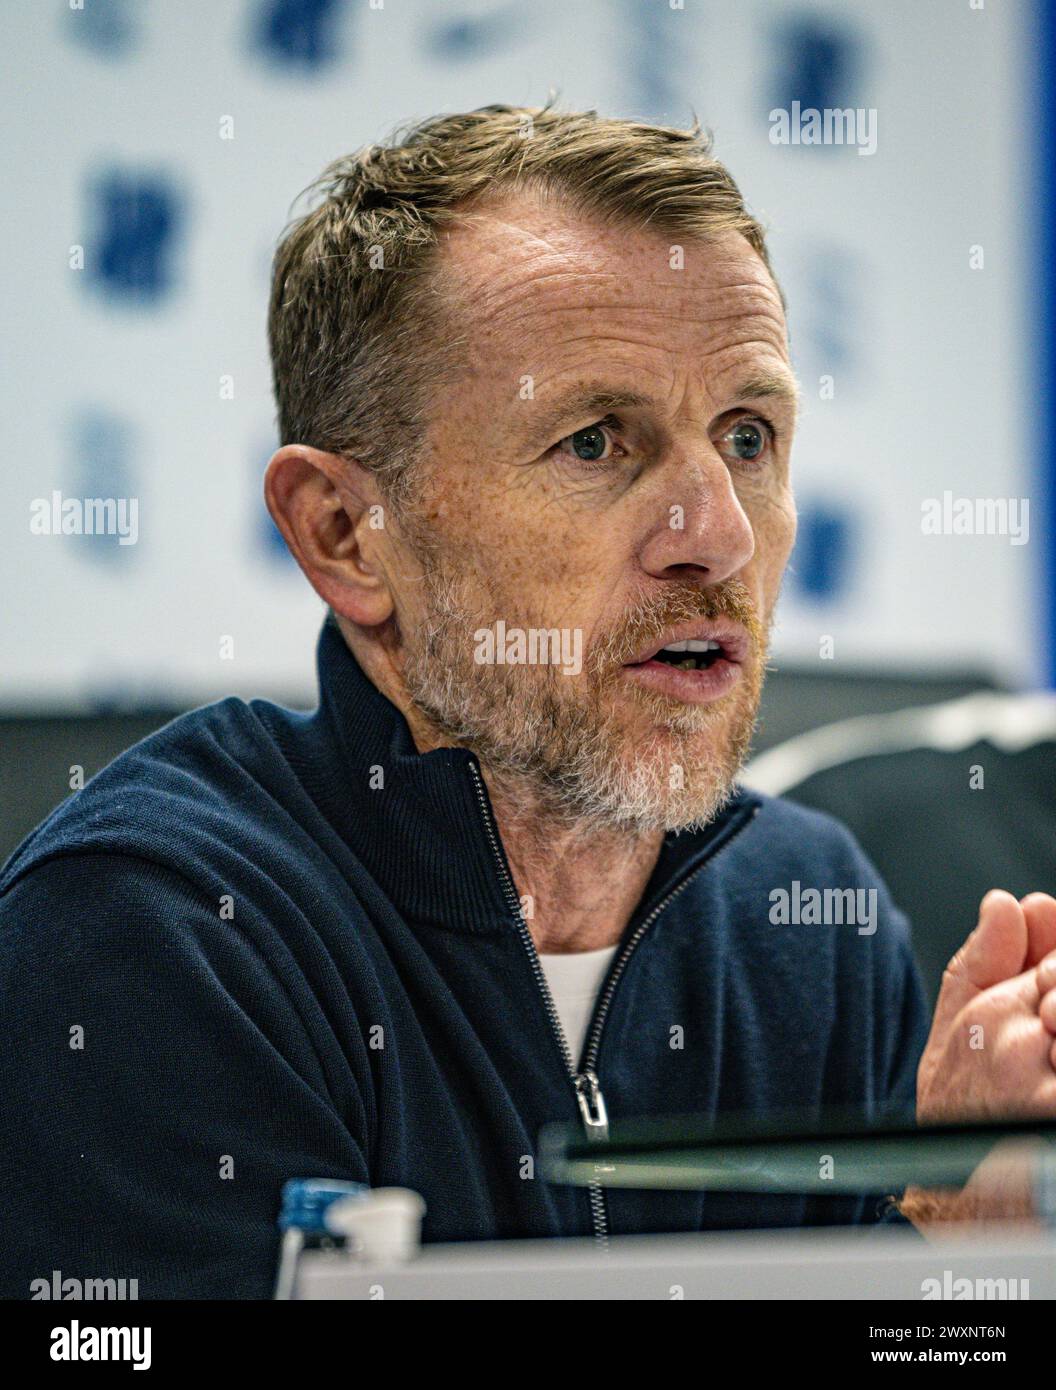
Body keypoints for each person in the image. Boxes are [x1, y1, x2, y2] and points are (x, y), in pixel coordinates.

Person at [2, 102, 1055, 1299]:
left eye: (748, 436)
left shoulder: (809, 929)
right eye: (597, 442)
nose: (713, 535)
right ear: (347, 534)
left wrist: (954, 1243)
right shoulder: (159, 935)